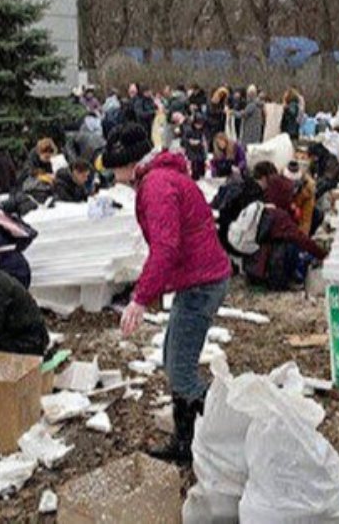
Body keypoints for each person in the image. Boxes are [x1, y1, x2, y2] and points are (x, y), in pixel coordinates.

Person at [105, 123, 232, 463]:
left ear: (127, 164)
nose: (113, 175)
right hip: (199, 279)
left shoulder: (156, 186)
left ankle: (228, 430)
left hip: (201, 284)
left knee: (182, 372)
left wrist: (140, 299)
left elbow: (165, 248)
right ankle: (187, 441)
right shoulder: (159, 177)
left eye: (114, 167)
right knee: (172, 360)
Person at [182, 115, 209, 181]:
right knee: (195, 163)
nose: (199, 126)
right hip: (191, 150)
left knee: (201, 163)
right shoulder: (189, 130)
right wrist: (190, 141)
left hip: (199, 149)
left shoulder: (202, 130)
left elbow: (204, 139)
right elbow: (183, 140)